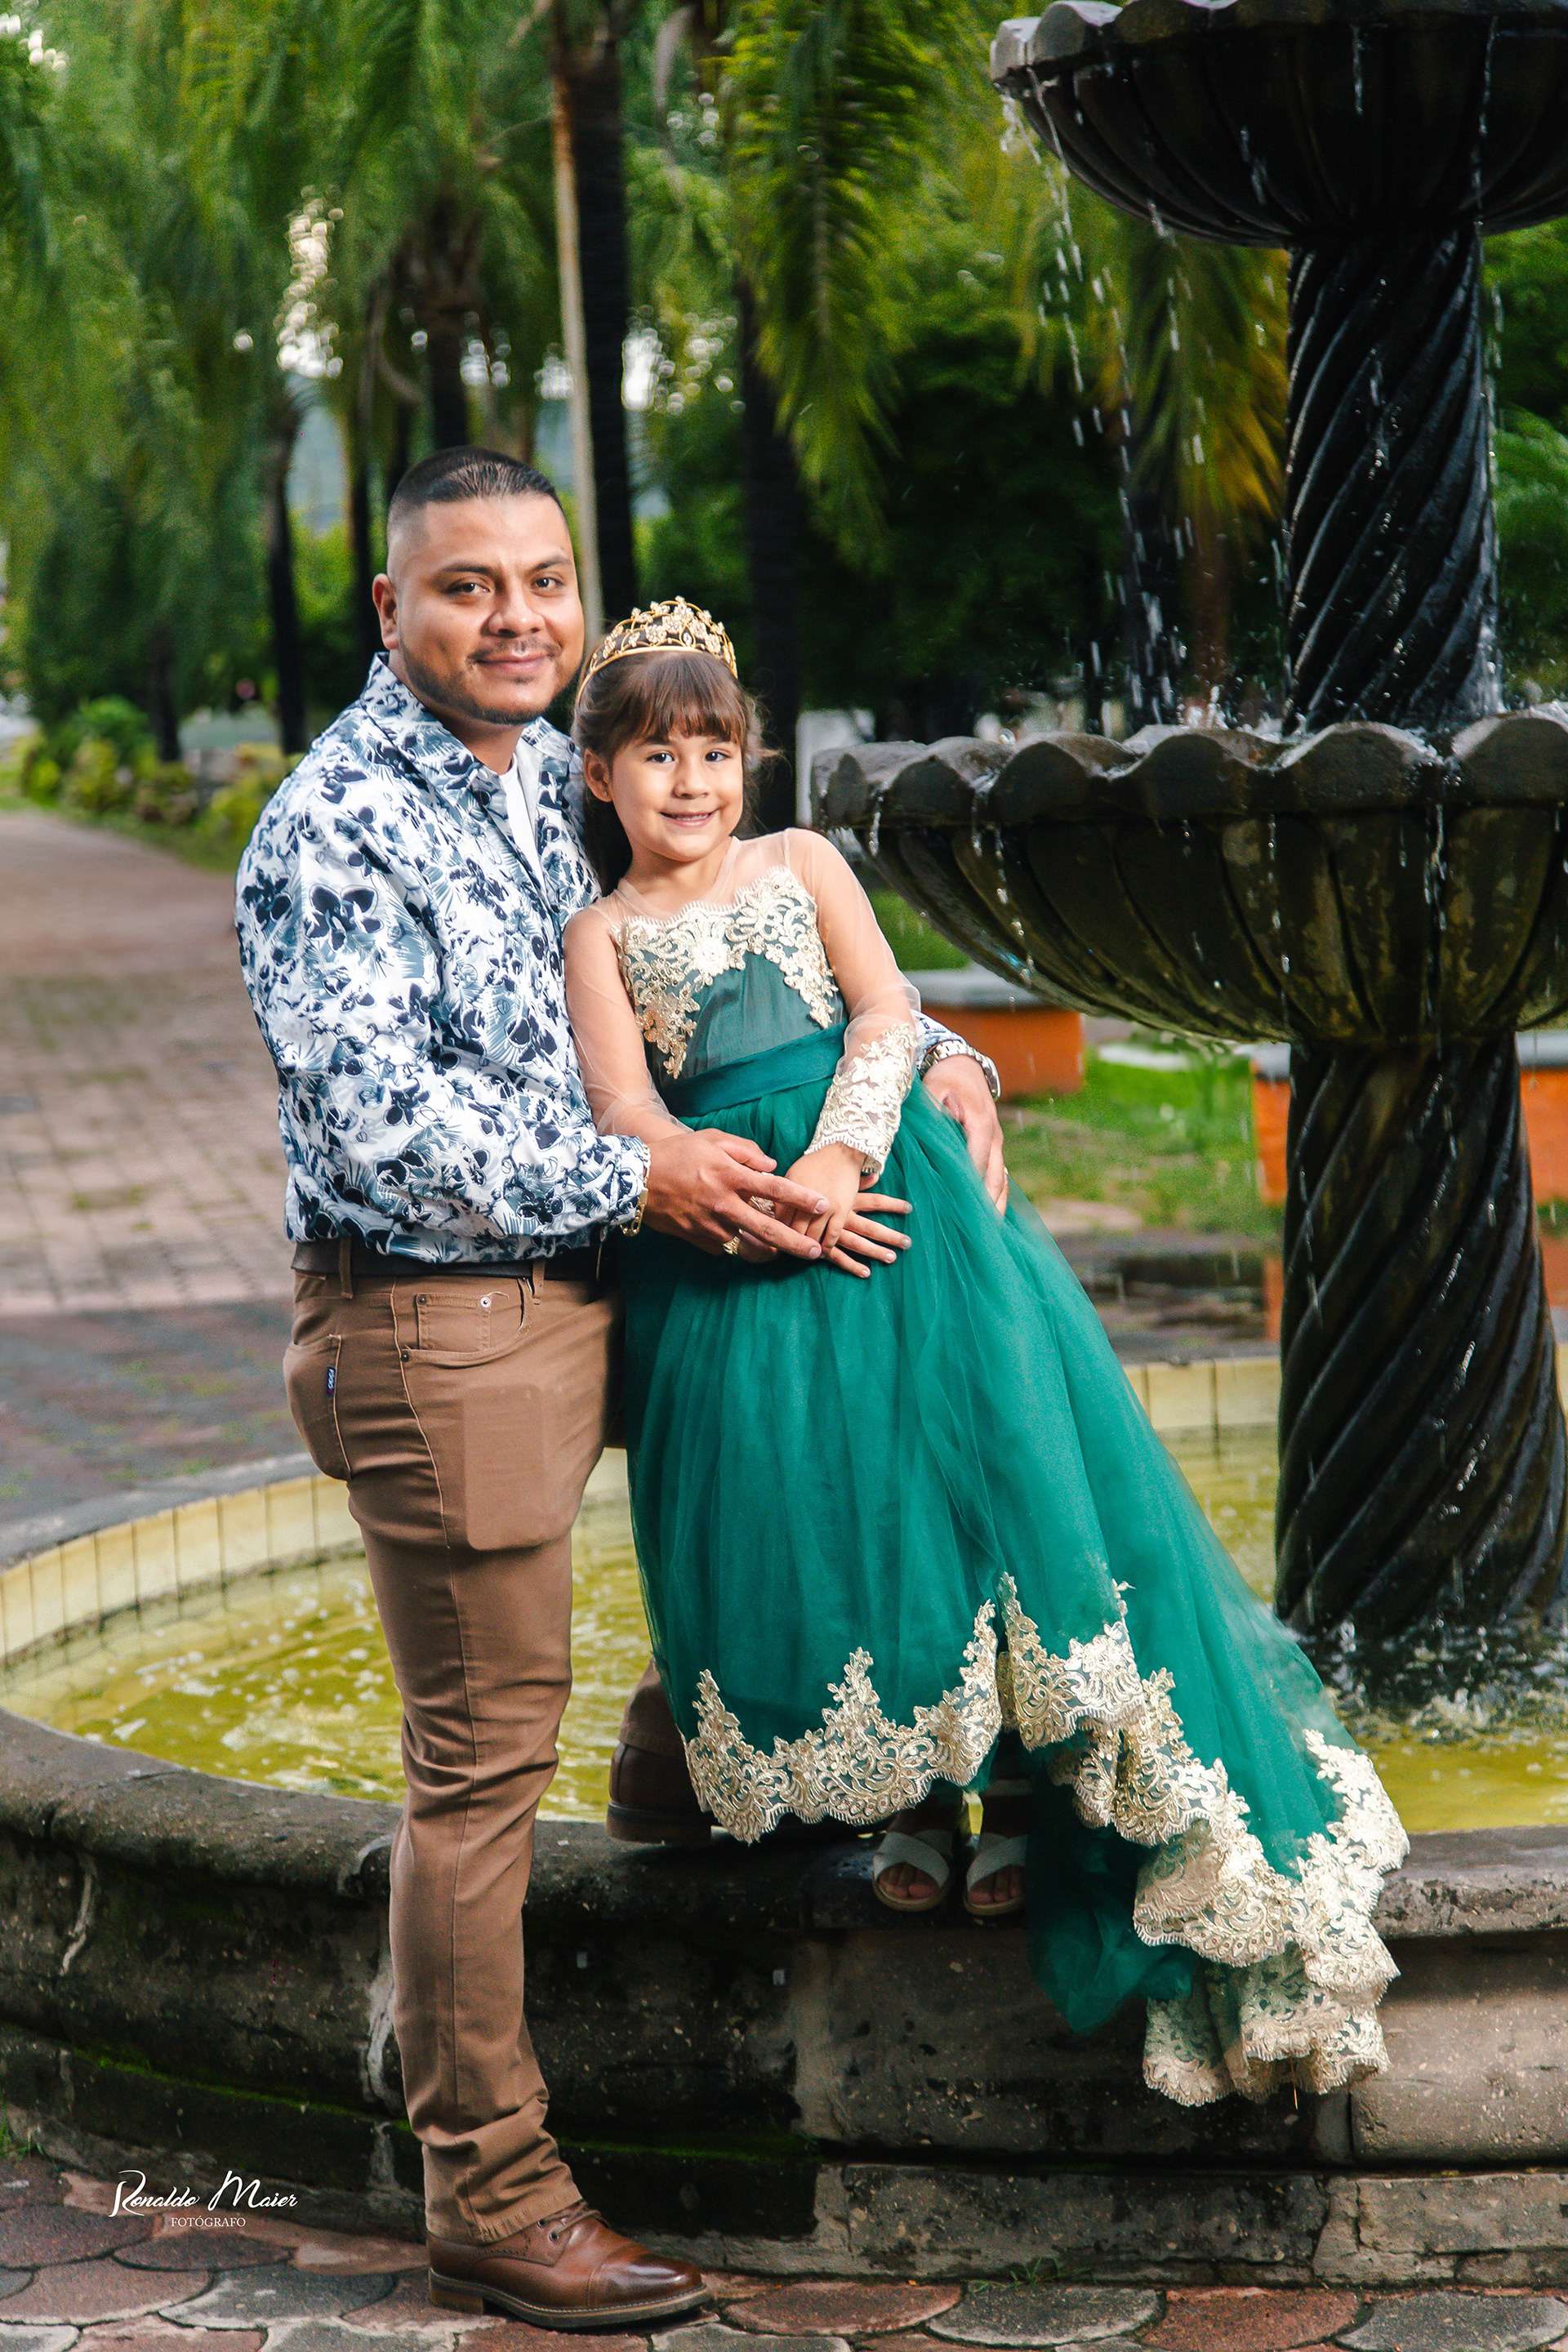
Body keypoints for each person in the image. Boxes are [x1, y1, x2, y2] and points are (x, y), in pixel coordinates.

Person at [234, 448, 1008, 2324]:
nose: (515, 617)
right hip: (447, 1317)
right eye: (466, 586)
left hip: (615, 1280)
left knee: (816, 1461)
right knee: (481, 1760)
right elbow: (385, 1129)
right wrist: (641, 1177)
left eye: (543, 581)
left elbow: (726, 950)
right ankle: (491, 2190)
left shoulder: (533, 782)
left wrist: (941, 1056)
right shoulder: (335, 825)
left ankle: (698, 1775)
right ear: (390, 608)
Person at [563, 599, 1412, 2106]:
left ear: (749, 760)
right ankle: (915, 1796)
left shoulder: (801, 863)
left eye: (715, 750)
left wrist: (838, 1159)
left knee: (973, 1485)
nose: (692, 781)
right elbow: (625, 1107)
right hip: (736, 1242)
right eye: (657, 755)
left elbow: (886, 1012)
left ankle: (1021, 1791)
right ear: (600, 776)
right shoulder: (601, 933)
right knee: (836, 1510)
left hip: (896, 1209)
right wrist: (744, 1198)